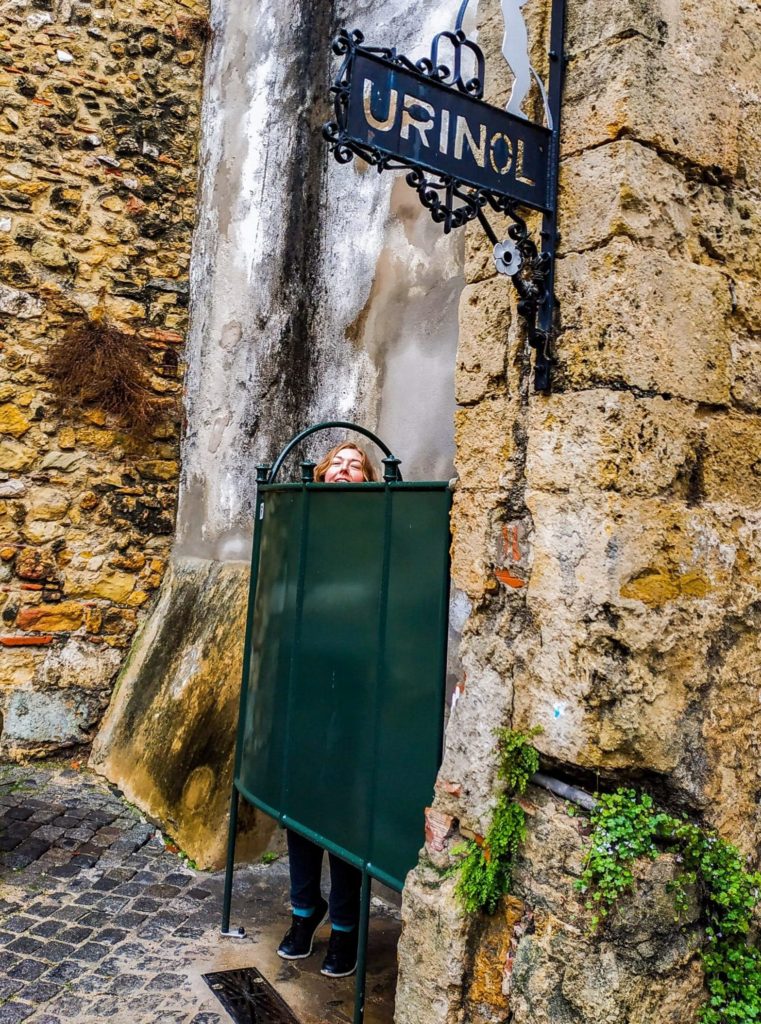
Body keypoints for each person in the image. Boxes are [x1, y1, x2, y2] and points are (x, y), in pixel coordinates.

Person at [276, 441, 378, 978]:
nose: (344, 468)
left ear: (367, 479)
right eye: (336, 461)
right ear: (321, 472)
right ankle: (302, 909)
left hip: (356, 683)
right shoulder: (302, 520)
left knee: (341, 804)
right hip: (306, 680)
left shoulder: (376, 527)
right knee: (302, 797)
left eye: (354, 464)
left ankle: (344, 926)